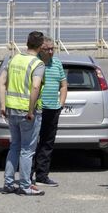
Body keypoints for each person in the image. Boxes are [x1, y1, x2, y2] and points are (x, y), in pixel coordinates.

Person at [0, 31, 46, 196]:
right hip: (28, 112)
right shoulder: (37, 64)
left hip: (11, 110)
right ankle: (25, 186)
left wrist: (3, 105)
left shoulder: (14, 59)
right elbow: (35, 87)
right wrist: (31, 110)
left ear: (27, 43)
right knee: (27, 150)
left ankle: (8, 183)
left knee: (14, 147)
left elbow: (1, 81)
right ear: (41, 46)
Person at [32, 36, 67, 187]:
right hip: (37, 108)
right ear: (41, 49)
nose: (51, 52)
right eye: (48, 49)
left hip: (53, 109)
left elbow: (64, 85)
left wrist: (61, 104)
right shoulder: (35, 63)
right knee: (32, 143)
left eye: (53, 48)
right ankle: (27, 176)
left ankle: (42, 175)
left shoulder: (57, 63)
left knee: (47, 143)